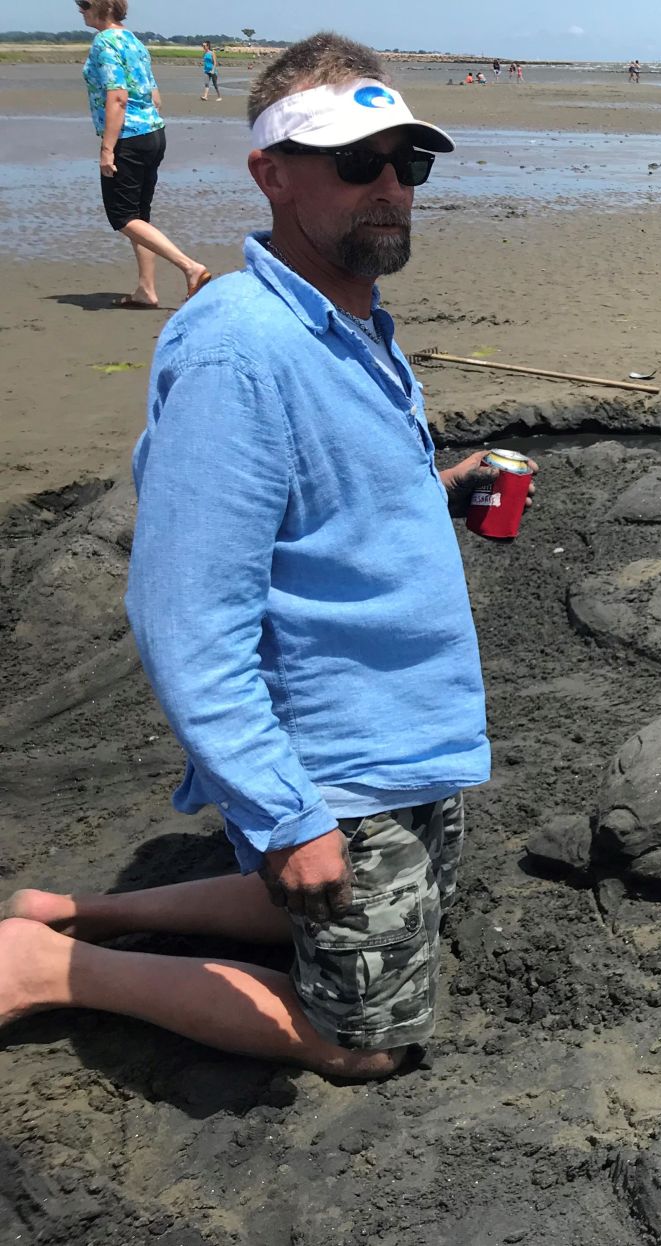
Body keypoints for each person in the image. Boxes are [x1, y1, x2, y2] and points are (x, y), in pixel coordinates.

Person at [0, 32, 538, 1079]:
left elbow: (328, 507)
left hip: (408, 727)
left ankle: (81, 910)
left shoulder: (352, 324)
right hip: (340, 759)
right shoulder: (238, 351)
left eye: (407, 163)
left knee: (379, 908)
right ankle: (49, 964)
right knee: (365, 1042)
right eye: (356, 161)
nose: (390, 186)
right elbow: (184, 615)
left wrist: (440, 495)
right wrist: (289, 814)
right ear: (272, 174)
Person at [77, 1, 211, 311]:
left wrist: (107, 149)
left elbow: (118, 96)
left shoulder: (105, 42)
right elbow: (155, 95)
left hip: (129, 138)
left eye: (84, 7)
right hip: (153, 134)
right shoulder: (133, 41)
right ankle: (146, 290)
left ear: (99, 8)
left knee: (122, 217)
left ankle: (190, 267)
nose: (81, 13)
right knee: (139, 216)